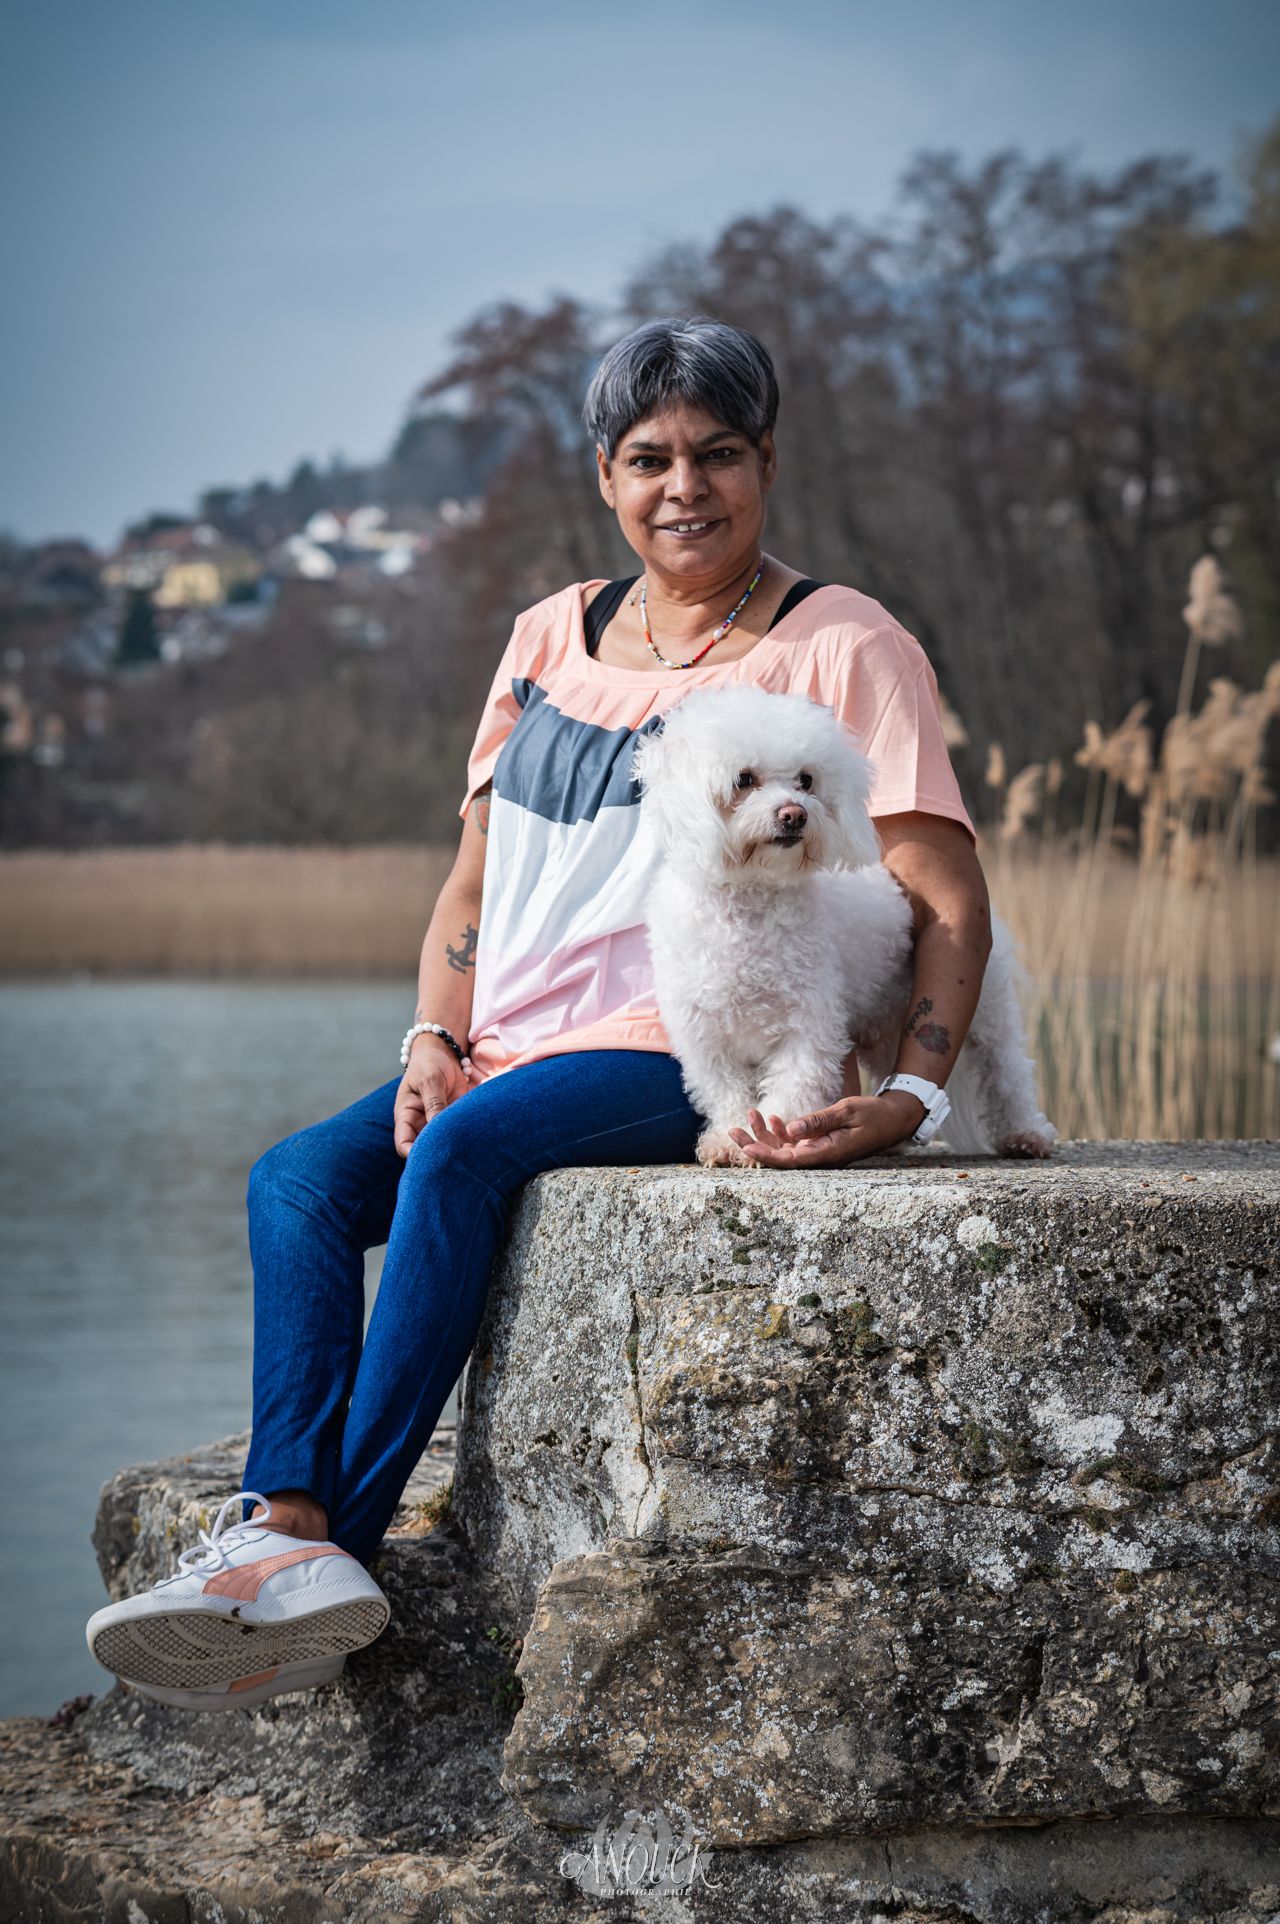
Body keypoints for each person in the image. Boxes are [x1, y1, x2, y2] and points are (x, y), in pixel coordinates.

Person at [85, 316, 989, 1710]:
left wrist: (915, 1094)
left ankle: (331, 1537)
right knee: (299, 1183)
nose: (684, 487)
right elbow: (473, 875)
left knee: (459, 1160)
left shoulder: (842, 643)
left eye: (718, 454)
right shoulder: (542, 640)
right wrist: (431, 1038)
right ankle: (278, 1520)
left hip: (671, 1046)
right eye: (650, 459)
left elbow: (942, 887)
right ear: (606, 476)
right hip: (499, 1044)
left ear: (766, 463)